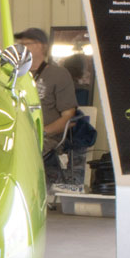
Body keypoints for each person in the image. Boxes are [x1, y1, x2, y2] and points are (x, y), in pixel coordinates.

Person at [14, 27, 77, 181]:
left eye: (27, 43)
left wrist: (41, 133)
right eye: (21, 44)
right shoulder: (14, 74)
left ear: (42, 46)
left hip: (44, 138)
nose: (23, 47)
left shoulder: (58, 75)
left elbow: (68, 116)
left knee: (20, 153)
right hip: (15, 134)